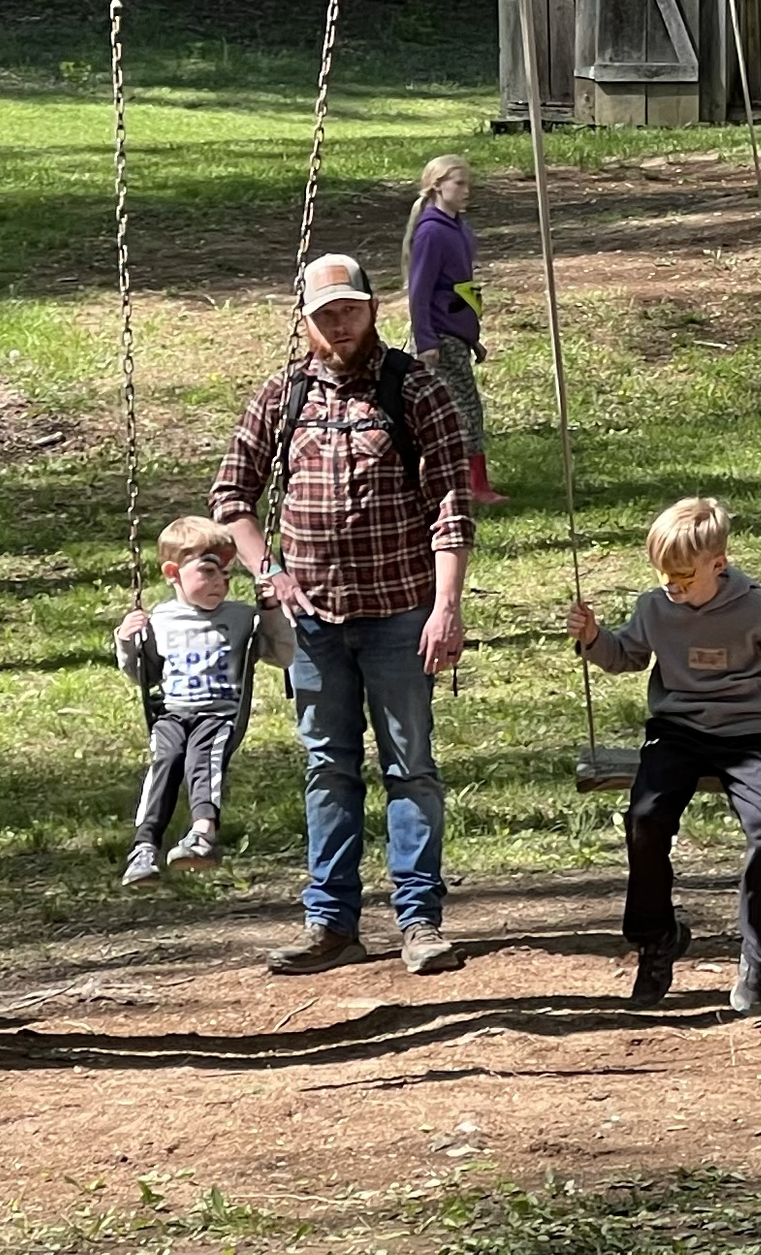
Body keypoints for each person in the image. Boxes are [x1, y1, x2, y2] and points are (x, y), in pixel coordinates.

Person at [211, 253, 474, 977]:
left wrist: (445, 607)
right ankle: (331, 921)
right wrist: (268, 569)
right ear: (305, 320)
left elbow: (451, 508)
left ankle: (420, 920)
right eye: (327, 313)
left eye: (351, 309)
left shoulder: (416, 388)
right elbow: (232, 497)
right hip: (313, 623)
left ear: (373, 309)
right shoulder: (281, 394)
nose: (340, 324)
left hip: (400, 613)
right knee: (328, 766)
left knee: (410, 765)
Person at [565, 496, 761, 1016]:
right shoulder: (655, 607)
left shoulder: (756, 608)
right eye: (665, 575)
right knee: (645, 819)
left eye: (683, 576)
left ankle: (758, 957)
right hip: (676, 730)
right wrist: (593, 638)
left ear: (718, 564)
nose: (672, 586)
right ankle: (657, 939)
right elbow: (625, 655)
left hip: (744, 732)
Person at [114, 516, 296, 886]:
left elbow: (282, 656)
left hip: (218, 714)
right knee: (163, 765)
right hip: (172, 712)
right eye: (209, 572)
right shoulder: (160, 620)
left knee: (203, 763)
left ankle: (202, 833)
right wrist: (125, 640)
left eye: (227, 575)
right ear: (172, 572)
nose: (220, 583)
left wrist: (272, 612)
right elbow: (141, 674)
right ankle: (144, 847)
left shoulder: (243, 617)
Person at [403, 154, 504, 507]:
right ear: (437, 187)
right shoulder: (431, 232)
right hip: (440, 338)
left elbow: (460, 289)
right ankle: (470, 485)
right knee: (464, 411)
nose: (466, 191)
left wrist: (472, 336)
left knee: (462, 410)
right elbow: (420, 290)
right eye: (458, 184)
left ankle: (460, 481)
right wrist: (426, 340)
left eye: (467, 184)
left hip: (458, 334)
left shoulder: (458, 226)